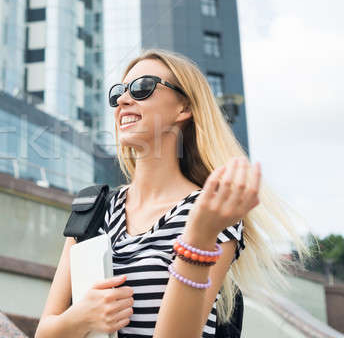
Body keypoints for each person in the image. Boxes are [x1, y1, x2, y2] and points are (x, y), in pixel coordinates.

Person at [34, 48, 313, 338]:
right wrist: (82, 317)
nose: (124, 100)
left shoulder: (209, 211)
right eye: (118, 93)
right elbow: (45, 332)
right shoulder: (92, 208)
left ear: (184, 108)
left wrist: (199, 240)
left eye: (143, 88)